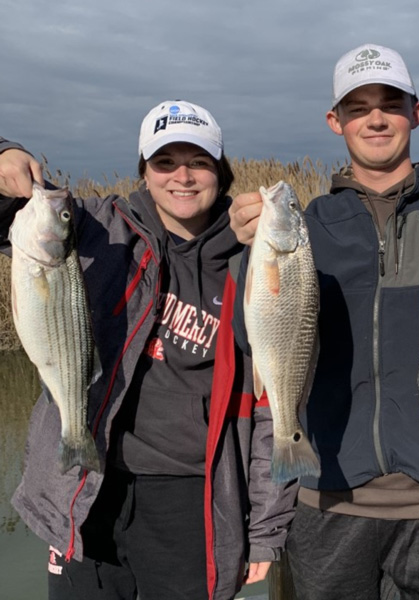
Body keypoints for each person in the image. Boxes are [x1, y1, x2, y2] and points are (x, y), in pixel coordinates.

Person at [227, 43, 419, 599]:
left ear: (416, 112)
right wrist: (252, 256)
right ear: (335, 120)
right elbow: (255, 340)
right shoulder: (309, 227)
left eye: (391, 103)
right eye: (358, 107)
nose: (376, 118)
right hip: (330, 498)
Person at [0, 100, 295, 600]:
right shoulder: (98, 227)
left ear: (221, 172)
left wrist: (266, 528)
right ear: (144, 171)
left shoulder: (252, 260)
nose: (182, 176)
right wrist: (4, 153)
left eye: (198, 161)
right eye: (164, 162)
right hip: (87, 487)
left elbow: (272, 403)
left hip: (192, 501)